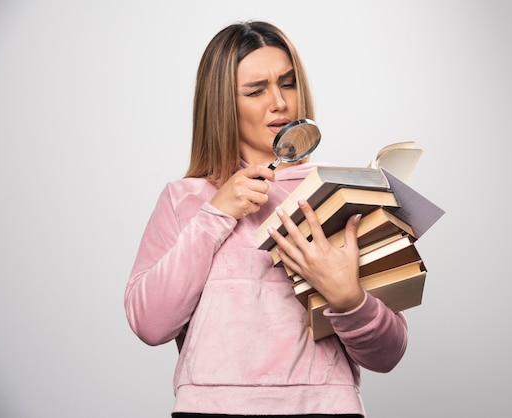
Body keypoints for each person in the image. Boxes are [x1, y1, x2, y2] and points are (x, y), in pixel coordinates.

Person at [124, 21, 408, 418]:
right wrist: (216, 213)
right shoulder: (183, 199)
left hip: (326, 409)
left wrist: (348, 298)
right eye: (256, 90)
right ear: (223, 103)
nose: (279, 102)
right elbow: (150, 324)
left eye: (288, 84)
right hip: (211, 410)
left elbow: (388, 354)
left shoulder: (340, 190)